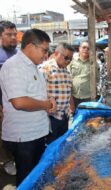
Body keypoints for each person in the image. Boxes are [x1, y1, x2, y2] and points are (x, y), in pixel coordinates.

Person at [0, 28, 57, 186]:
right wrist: (45, 104)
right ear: (31, 46)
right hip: (24, 137)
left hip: (36, 133)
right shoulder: (14, 66)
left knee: (36, 176)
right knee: (27, 180)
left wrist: (49, 99)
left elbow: (36, 94)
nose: (46, 55)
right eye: (44, 50)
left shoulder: (33, 66)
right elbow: (19, 102)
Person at [39, 43, 75, 144]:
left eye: (70, 59)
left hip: (64, 116)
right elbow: (38, 92)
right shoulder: (45, 68)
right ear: (56, 53)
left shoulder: (66, 72)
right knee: (51, 146)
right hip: (51, 117)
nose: (68, 61)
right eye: (66, 57)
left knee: (61, 145)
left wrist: (72, 109)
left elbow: (68, 92)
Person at [0, 20, 18, 175]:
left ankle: (15, 158)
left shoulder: (19, 53)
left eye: (14, 34)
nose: (13, 37)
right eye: (8, 34)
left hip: (18, 103)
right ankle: (7, 160)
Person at [68, 41, 92, 107]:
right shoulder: (72, 61)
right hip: (73, 96)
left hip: (88, 97)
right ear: (79, 49)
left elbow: (97, 78)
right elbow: (68, 77)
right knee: (74, 115)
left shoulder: (93, 63)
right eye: (84, 47)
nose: (86, 50)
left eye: (88, 48)